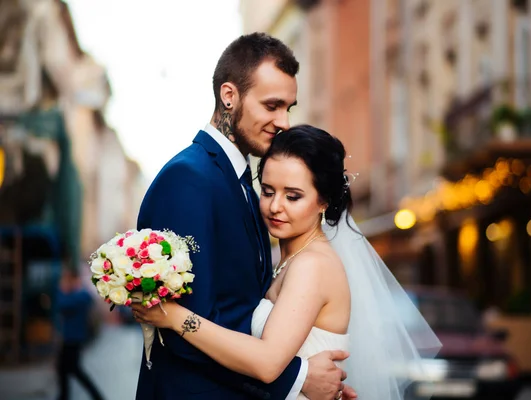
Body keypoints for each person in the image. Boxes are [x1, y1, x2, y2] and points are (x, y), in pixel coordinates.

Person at [134, 126, 442, 399]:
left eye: (293, 196)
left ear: (323, 201)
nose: (275, 207)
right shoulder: (289, 260)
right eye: (267, 192)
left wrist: (175, 318)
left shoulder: (313, 265)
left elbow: (267, 363)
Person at [134, 33, 355, 400]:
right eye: (272, 106)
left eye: (289, 107)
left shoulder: (247, 188)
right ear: (229, 96)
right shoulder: (189, 180)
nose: (284, 121)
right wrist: (297, 379)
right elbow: (181, 325)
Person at [56, 269, 104, 400]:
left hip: (74, 338)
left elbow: (62, 304)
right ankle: (64, 396)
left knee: (74, 370)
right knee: (65, 369)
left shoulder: (81, 295)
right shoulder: (77, 295)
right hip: (70, 338)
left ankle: (96, 396)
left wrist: (62, 290)